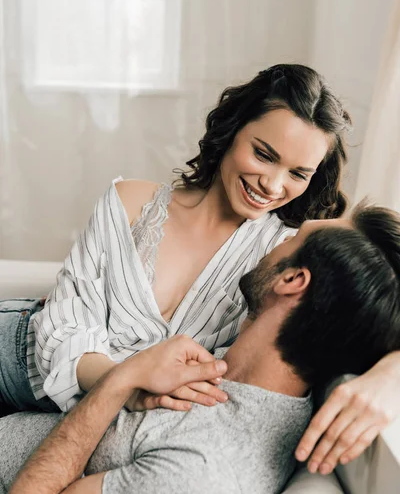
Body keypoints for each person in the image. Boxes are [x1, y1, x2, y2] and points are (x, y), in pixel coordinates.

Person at [0, 63, 351, 417]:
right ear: (232, 130)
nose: (273, 186)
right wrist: (126, 385)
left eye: (297, 174)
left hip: (70, 410)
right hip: (13, 355)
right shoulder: (129, 201)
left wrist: (386, 376)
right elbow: (65, 326)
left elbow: (383, 276)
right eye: (263, 154)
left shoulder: (286, 257)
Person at [2, 203, 400, 494]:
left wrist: (121, 379)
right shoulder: (243, 367)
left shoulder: (203, 468)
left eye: (292, 239)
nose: (274, 242)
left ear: (293, 279)